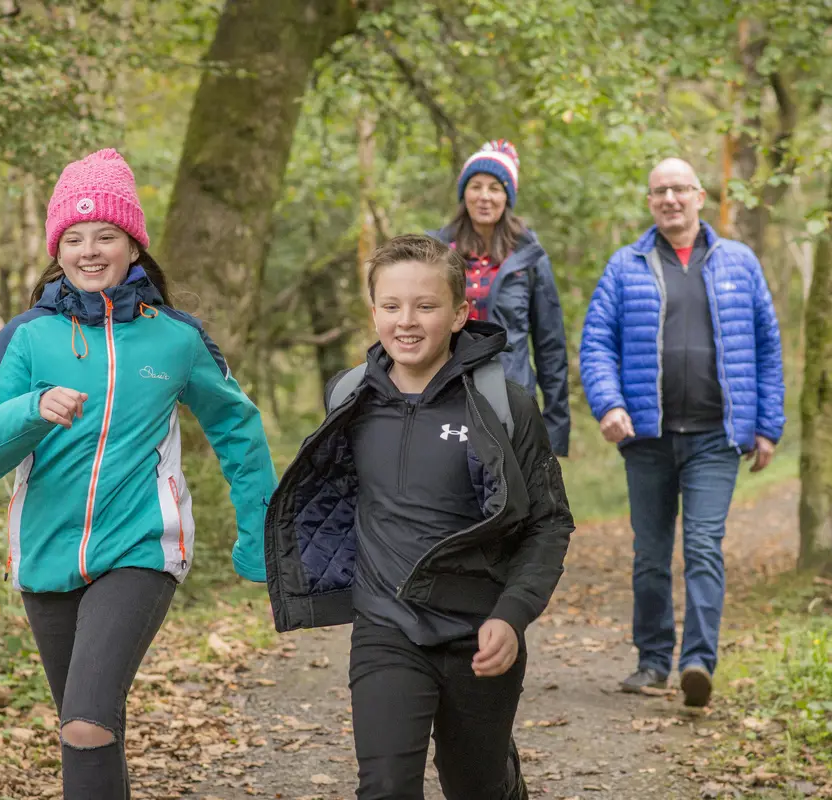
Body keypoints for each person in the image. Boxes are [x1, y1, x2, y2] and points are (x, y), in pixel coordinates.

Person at [0, 148, 277, 799]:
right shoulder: (27, 337)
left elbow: (237, 427)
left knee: (89, 722)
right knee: (84, 727)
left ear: (132, 244)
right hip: (46, 556)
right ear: (57, 247)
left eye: (106, 235)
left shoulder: (177, 339)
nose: (90, 250)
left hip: (141, 547)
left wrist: (258, 531)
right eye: (74, 237)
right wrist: (31, 412)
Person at [264, 234, 574, 799]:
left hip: (479, 631)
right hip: (386, 627)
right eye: (391, 305)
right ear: (374, 310)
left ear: (460, 314)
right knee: (385, 786)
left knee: (476, 786)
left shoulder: (505, 406)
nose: (406, 321)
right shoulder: (350, 399)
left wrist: (511, 615)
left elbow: (548, 523)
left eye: (425, 306)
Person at [579, 157, 785, 708]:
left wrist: (767, 426)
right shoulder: (625, 266)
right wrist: (609, 405)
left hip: (715, 438)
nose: (669, 198)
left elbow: (767, 346)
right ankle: (651, 662)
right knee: (650, 554)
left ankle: (697, 662)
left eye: (679, 189)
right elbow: (597, 342)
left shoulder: (738, 262)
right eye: (659, 191)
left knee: (702, 548)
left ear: (699, 195)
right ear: (650, 203)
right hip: (646, 437)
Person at [429, 139, 571, 456]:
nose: (484, 196)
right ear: (463, 193)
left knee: (508, 495)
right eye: (475, 186)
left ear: (508, 196)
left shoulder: (529, 257)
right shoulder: (435, 251)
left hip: (510, 395)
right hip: (446, 391)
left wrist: (556, 427)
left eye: (495, 187)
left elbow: (550, 345)